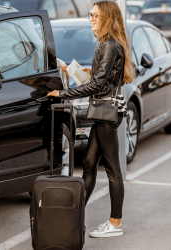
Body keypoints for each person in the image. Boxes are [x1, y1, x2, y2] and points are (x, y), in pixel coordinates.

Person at [48, 0, 136, 238]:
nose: (91, 19)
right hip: (102, 112)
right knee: (88, 163)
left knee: (112, 170)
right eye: (90, 15)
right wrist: (74, 71)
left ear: (106, 18)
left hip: (106, 114)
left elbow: (97, 85)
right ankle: (75, 216)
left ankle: (115, 223)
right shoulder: (106, 44)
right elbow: (98, 79)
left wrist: (62, 93)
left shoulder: (109, 46)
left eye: (95, 16)